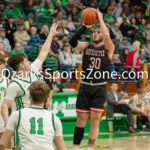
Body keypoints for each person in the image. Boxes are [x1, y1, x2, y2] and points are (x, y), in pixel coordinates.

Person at [1, 22, 59, 149]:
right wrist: (7, 121)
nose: (29, 61)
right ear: (21, 65)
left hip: (42, 118)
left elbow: (43, 52)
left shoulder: (33, 69)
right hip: (23, 122)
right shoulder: (15, 84)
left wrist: (50, 34)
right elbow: (5, 104)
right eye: (26, 60)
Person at [69, 9, 114, 150]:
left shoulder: (109, 48)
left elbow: (107, 37)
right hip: (85, 86)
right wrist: (84, 27)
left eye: (98, 31)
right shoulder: (86, 46)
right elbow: (72, 41)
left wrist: (100, 19)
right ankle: (76, 147)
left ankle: (90, 148)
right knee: (81, 120)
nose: (95, 33)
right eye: (94, 32)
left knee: (95, 121)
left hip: (99, 88)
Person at [0, 80, 66, 150]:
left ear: (29, 96)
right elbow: (61, 148)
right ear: (46, 99)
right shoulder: (54, 118)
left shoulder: (17, 115)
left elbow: (2, 143)